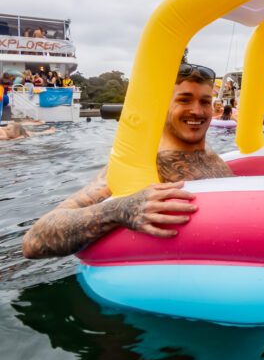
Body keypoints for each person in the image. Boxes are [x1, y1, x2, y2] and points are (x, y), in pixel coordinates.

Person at [22, 63, 233, 259]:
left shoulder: (211, 155)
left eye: (205, 102)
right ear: (160, 107)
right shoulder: (145, 165)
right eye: (184, 100)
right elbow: (34, 240)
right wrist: (119, 209)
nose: (197, 110)